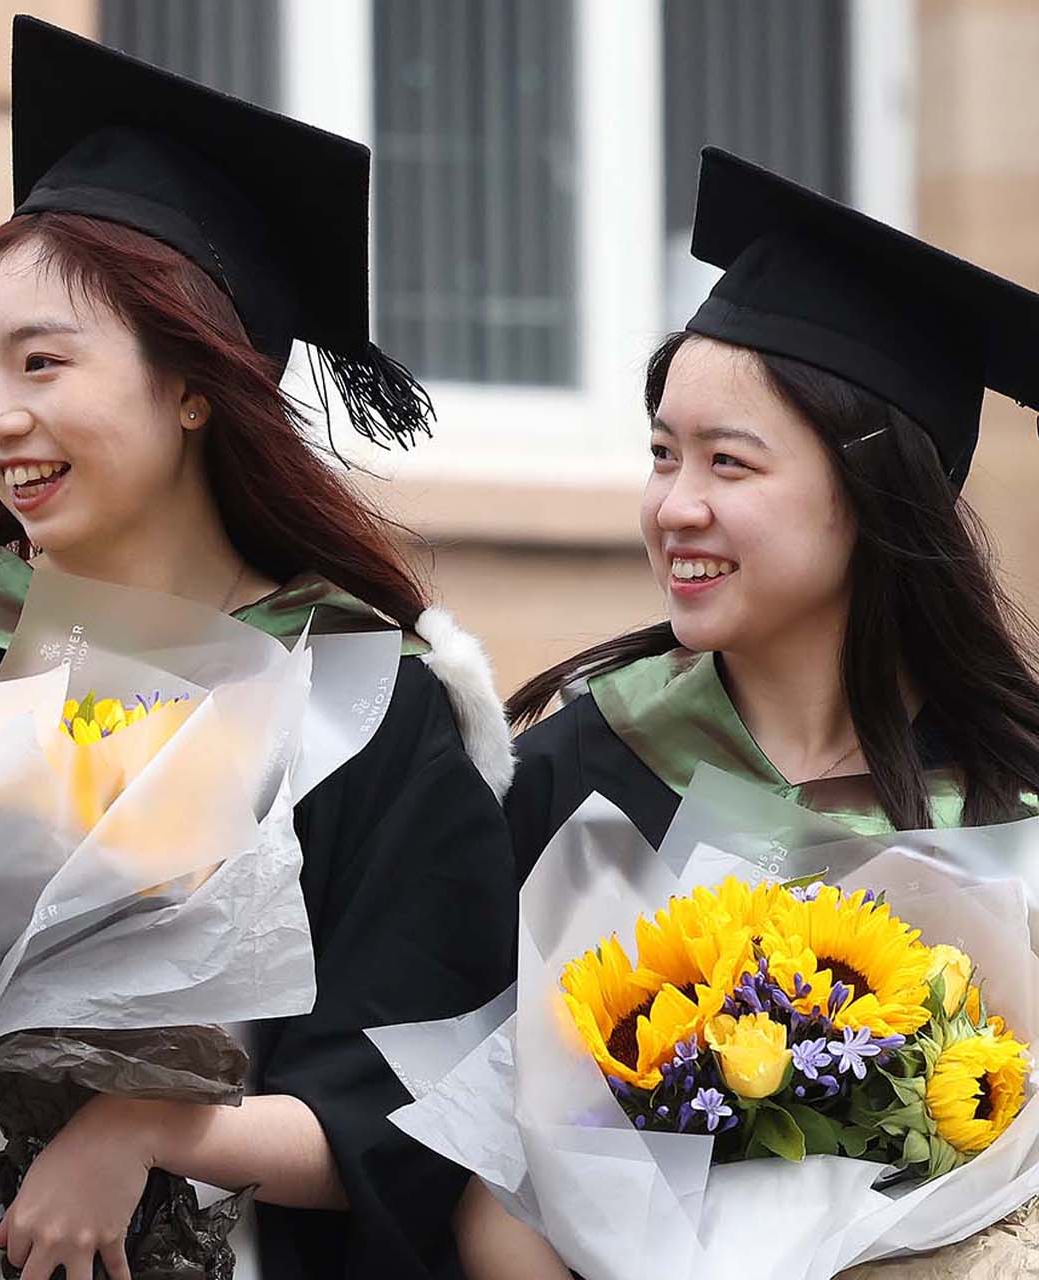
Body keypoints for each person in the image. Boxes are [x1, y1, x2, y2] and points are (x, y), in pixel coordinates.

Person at [0, 17, 517, 1280]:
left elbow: (412, 1098)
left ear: (195, 385)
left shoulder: (362, 694)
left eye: (43, 364)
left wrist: (151, 1121)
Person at [459, 145, 1039, 1280]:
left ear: (871, 496)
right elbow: (489, 1178)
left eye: (730, 463)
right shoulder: (577, 771)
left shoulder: (1015, 797)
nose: (676, 505)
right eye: (663, 455)